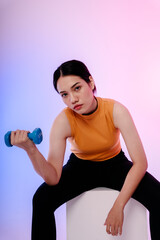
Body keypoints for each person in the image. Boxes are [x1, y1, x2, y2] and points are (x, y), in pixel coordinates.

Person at [11, 60, 160, 240]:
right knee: (41, 199)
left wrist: (118, 205)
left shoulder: (116, 111)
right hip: (80, 169)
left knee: (158, 196)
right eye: (64, 94)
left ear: (90, 82)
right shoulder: (62, 122)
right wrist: (31, 150)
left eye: (77, 88)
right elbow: (53, 178)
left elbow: (141, 163)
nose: (72, 99)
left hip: (115, 165)